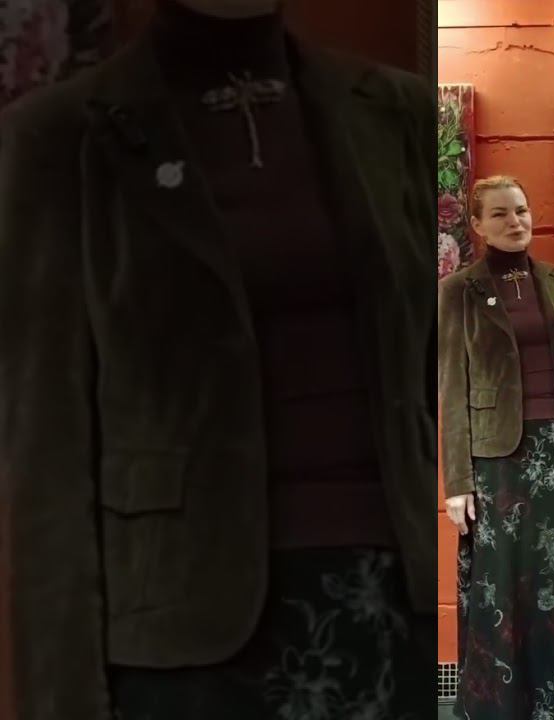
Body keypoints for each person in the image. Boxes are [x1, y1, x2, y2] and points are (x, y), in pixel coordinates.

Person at [0, 0, 436, 718]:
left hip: (395, 607)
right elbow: (44, 452)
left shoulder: (395, 110)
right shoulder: (60, 135)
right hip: (184, 630)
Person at [440, 175, 554, 719]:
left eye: (520, 210)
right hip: (497, 462)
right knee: (503, 586)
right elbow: (450, 389)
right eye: (499, 213)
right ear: (477, 225)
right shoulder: (458, 290)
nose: (514, 221)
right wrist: (456, 482)